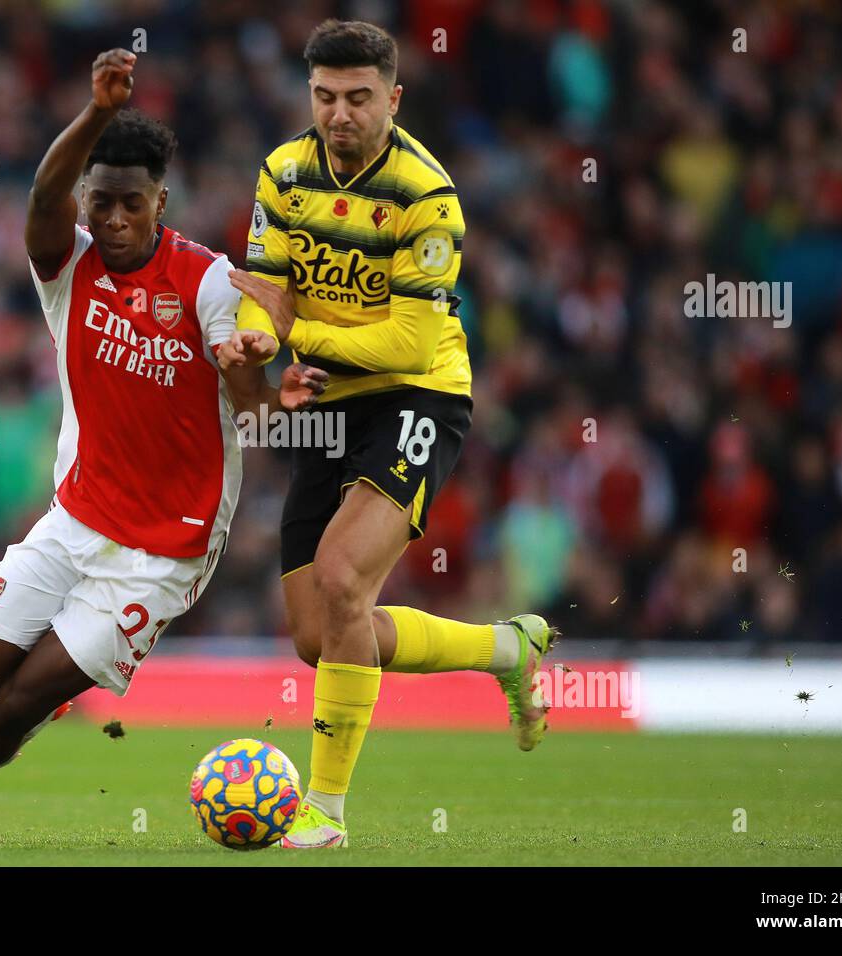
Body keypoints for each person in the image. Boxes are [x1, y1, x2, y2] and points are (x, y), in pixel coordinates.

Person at [0, 48, 326, 845]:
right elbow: (39, 195)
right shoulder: (68, 266)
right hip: (73, 523)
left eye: (132, 203)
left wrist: (254, 376)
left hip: (162, 551)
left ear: (160, 200)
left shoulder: (207, 284)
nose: (115, 220)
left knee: (17, 705)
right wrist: (97, 111)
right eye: (101, 203)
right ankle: (34, 703)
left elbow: (252, 409)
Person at [219, 20, 557, 850]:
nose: (340, 114)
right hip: (330, 405)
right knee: (320, 634)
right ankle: (505, 649)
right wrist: (258, 336)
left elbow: (406, 344)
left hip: (417, 396)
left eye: (359, 98)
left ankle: (325, 814)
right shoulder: (283, 173)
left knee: (342, 581)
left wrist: (298, 332)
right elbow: (261, 287)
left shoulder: (427, 194)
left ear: (393, 98)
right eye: (326, 96)